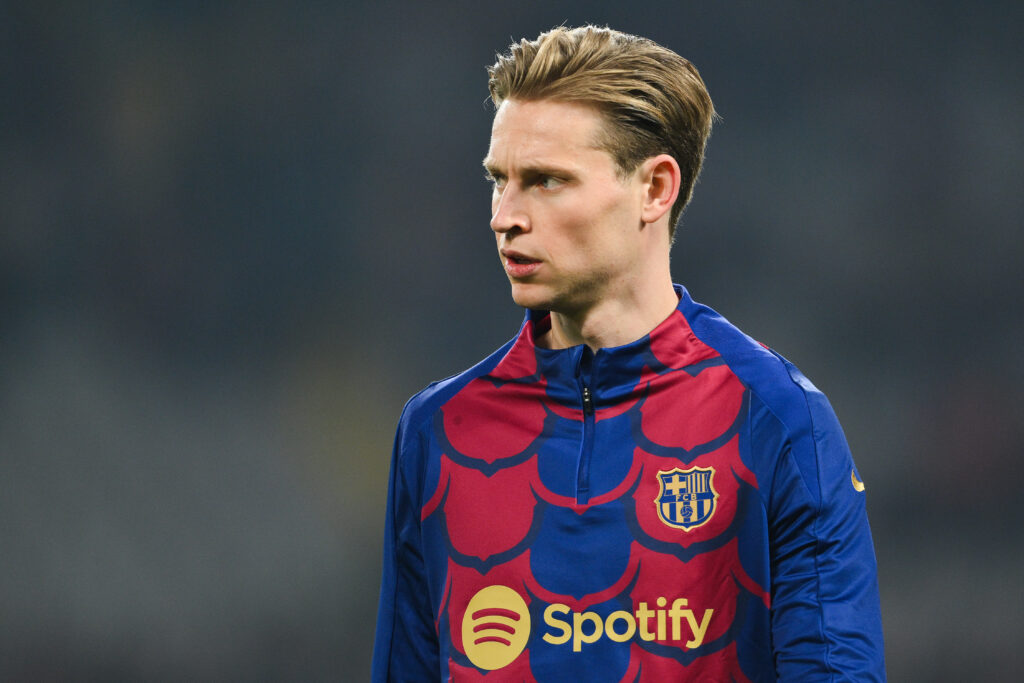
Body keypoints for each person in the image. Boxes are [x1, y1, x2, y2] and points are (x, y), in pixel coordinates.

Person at [372, 25, 885, 681]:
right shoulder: (438, 431)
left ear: (654, 188)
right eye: (498, 179)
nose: (505, 215)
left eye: (546, 181)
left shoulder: (775, 420)